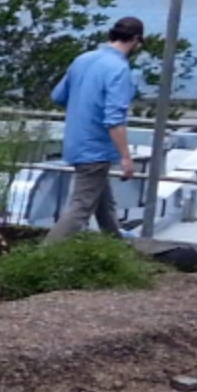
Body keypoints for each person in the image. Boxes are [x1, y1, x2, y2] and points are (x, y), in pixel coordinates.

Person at [45, 16, 143, 243]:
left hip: (75, 140)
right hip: (96, 147)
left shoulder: (83, 59)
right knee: (80, 208)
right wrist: (126, 158)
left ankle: (115, 243)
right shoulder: (120, 69)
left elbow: (58, 96)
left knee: (103, 202)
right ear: (136, 40)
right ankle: (43, 256)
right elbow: (114, 119)